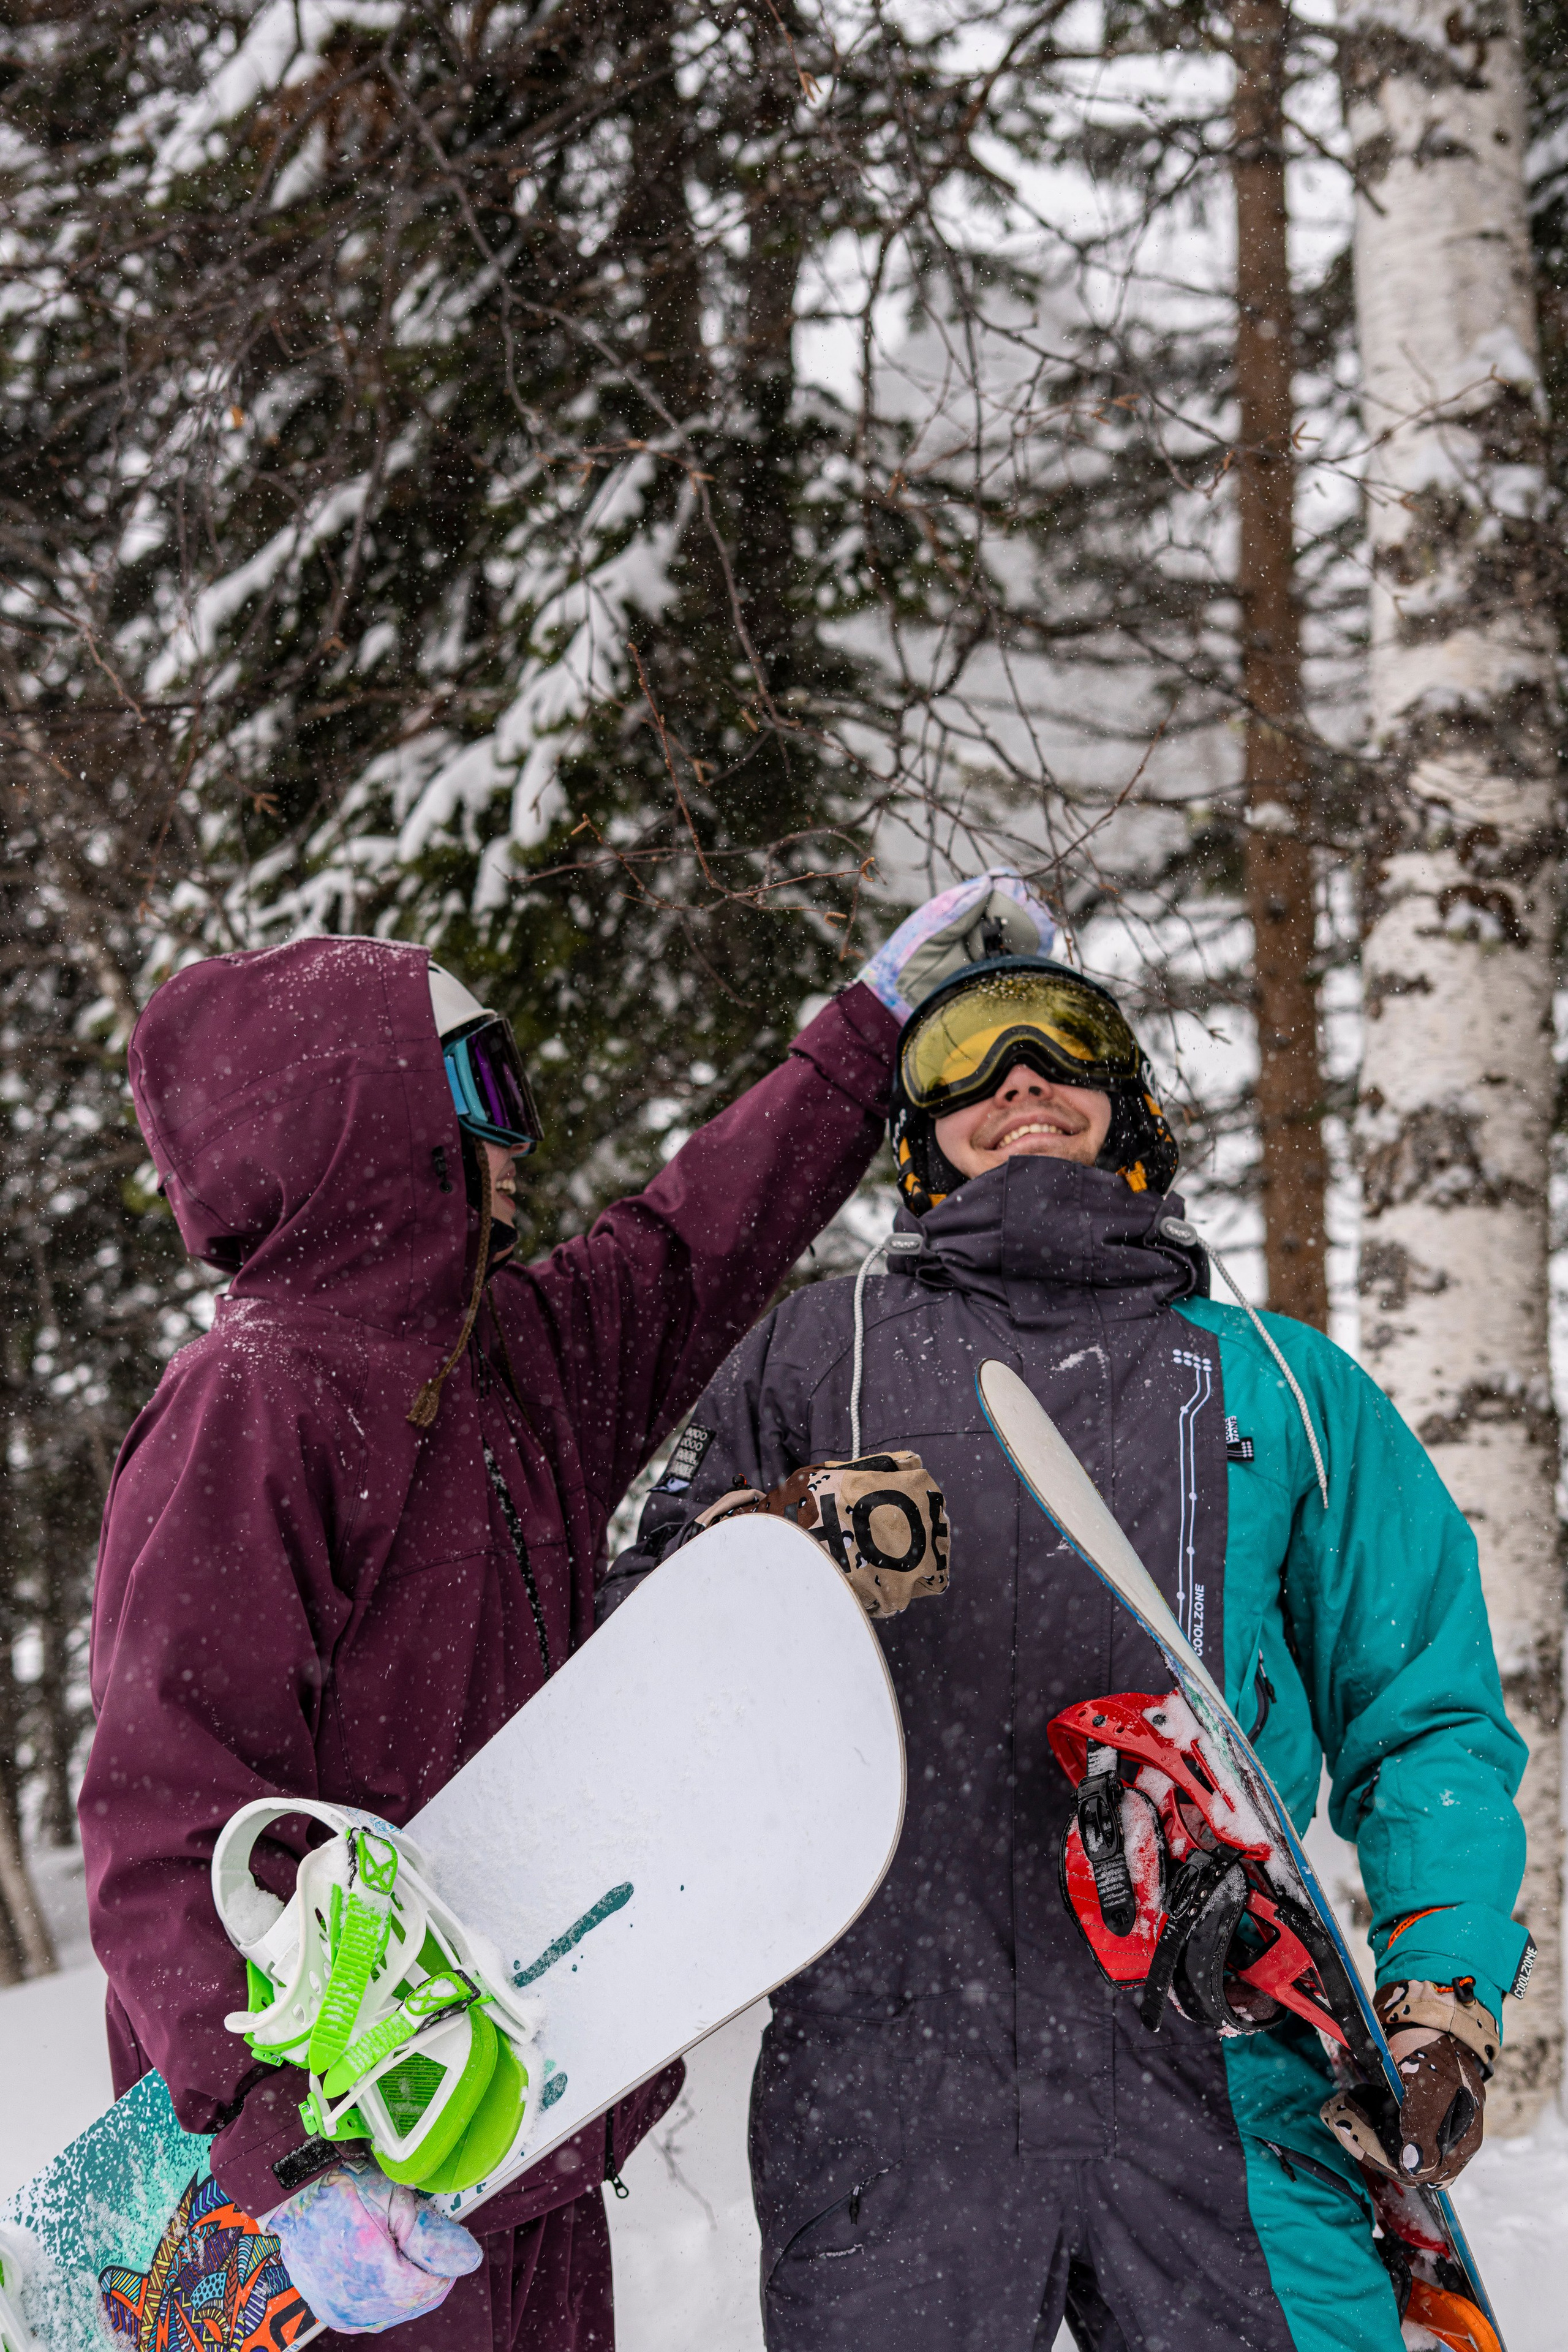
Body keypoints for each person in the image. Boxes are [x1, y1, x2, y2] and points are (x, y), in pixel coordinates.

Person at [78, 876, 1055, 2352]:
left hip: (506, 2131)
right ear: (361, 1125)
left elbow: (689, 1243)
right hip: (319, 2168)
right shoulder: (255, 1399)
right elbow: (162, 1816)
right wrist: (288, 2162)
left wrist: (872, 1027)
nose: (510, 1137)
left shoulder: (510, 1365)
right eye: (475, 1083)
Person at [609, 949, 1532, 2352]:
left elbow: (1425, 1715)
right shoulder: (818, 1359)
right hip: (893, 2086)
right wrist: (771, 1543)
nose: (1017, 1076)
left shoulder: (1282, 1383)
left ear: (1130, 1105)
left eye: (1060, 1048)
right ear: (918, 1140)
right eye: (964, 1060)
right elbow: (633, 1648)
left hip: (1225, 2078)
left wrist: (1441, 1989)